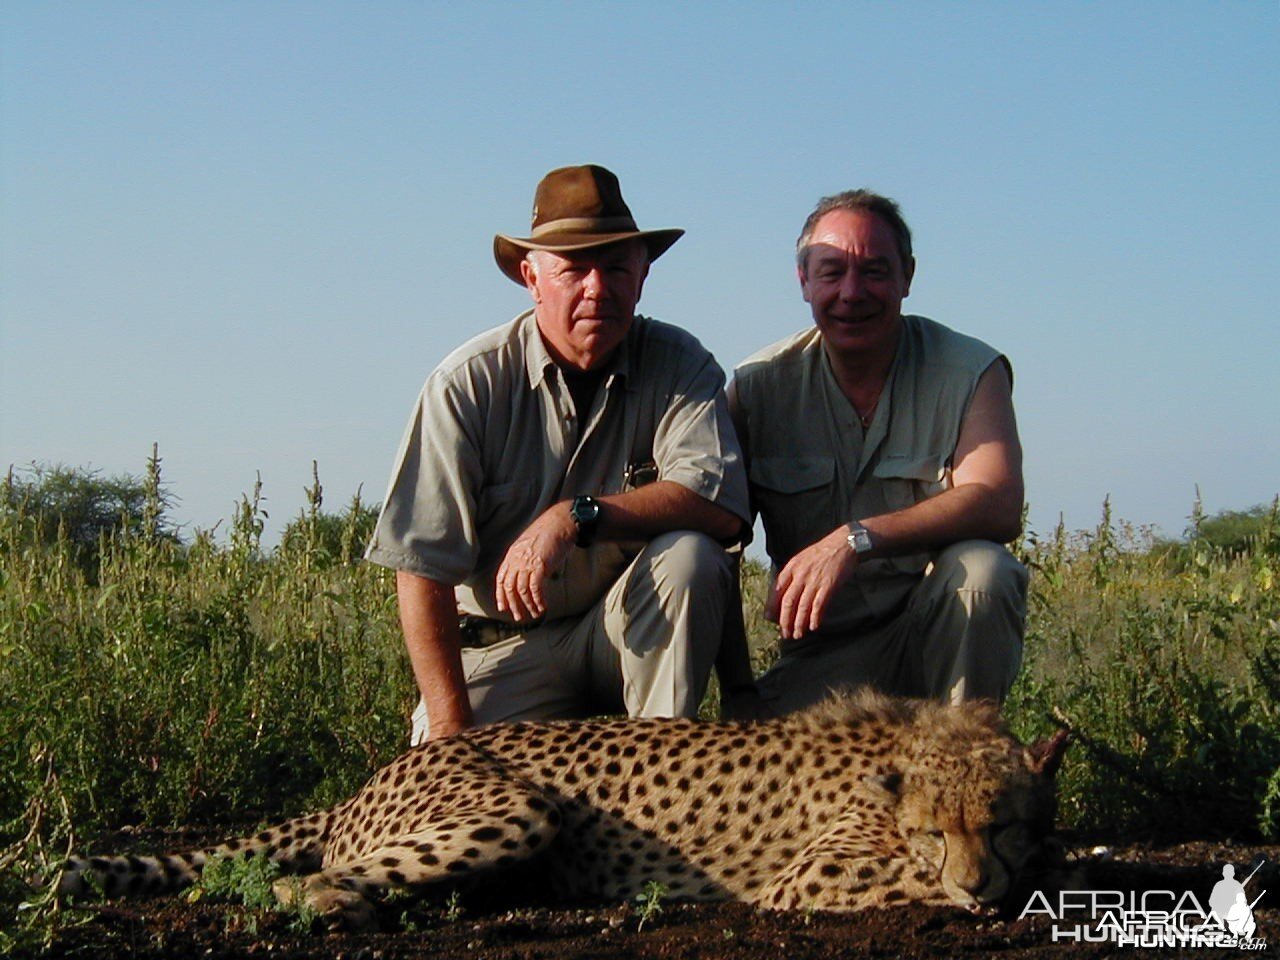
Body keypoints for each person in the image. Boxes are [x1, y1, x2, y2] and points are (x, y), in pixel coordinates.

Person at [366, 164, 750, 744]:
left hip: (621, 632)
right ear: (532, 277)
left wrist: (575, 516)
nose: (598, 287)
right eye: (575, 269)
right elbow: (419, 570)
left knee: (690, 557)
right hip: (503, 644)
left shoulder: (680, 363)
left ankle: (659, 778)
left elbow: (719, 507)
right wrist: (449, 728)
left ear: (642, 276)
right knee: (446, 798)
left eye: (617, 267)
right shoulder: (466, 384)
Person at [728, 189, 1028, 715]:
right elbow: (718, 542)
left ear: (907, 276)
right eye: (831, 272)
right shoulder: (756, 388)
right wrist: (737, 692)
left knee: (984, 570)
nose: (851, 292)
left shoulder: (970, 371)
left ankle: (966, 760)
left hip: (936, 632)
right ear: (803, 280)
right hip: (826, 656)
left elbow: (998, 502)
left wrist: (856, 539)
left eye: (874, 271)